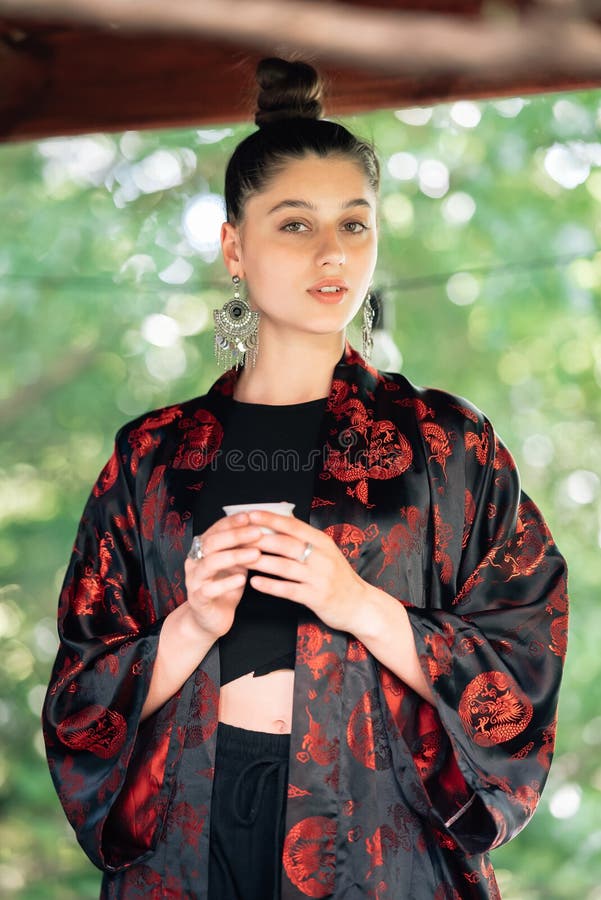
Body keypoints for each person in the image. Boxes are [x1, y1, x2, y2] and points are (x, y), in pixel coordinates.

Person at [42, 57, 568, 900]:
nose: (332, 252)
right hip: (188, 828)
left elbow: (524, 647)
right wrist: (189, 626)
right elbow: (77, 693)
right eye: (294, 225)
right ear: (233, 248)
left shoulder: (445, 443)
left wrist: (357, 602)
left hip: (376, 830)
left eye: (353, 225)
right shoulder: (149, 456)